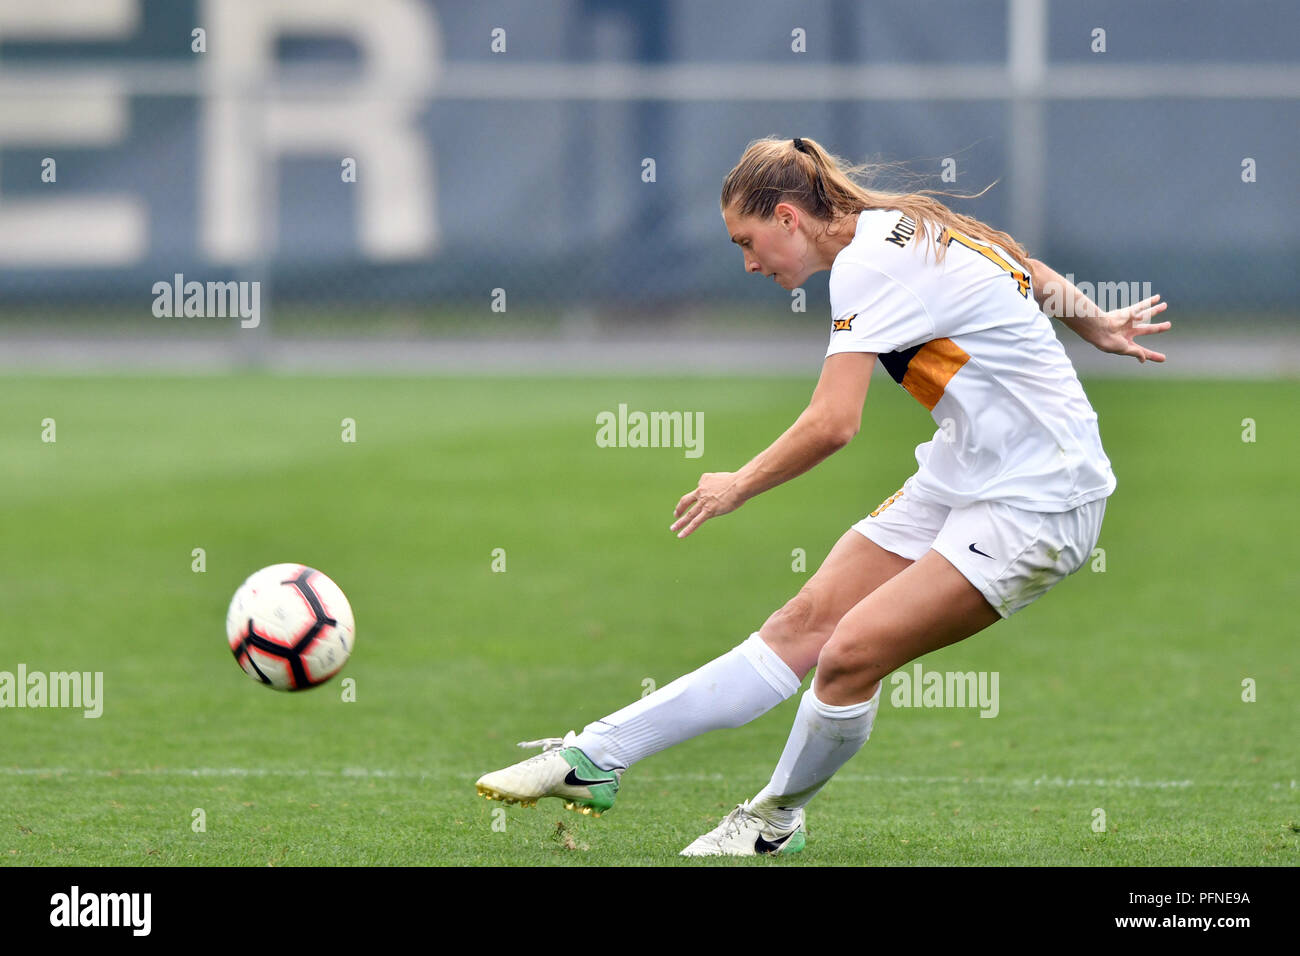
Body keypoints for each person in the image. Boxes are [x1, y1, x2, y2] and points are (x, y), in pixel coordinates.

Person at [475, 135, 1170, 856]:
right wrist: (1095, 324)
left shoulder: (869, 263)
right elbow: (1021, 264)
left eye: (748, 241)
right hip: (969, 470)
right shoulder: (892, 226)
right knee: (799, 625)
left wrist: (737, 483)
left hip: (1043, 499)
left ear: (787, 217)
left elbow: (835, 423)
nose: (748, 262)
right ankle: (594, 757)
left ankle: (773, 822)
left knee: (849, 656)